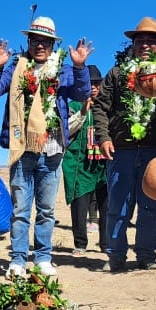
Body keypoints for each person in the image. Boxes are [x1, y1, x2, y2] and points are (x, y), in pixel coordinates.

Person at [0, 16, 91, 278]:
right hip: (22, 148)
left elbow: (81, 93)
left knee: (46, 209)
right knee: (20, 208)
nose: (39, 46)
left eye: (45, 42)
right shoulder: (16, 67)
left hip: (52, 148)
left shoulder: (64, 70)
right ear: (28, 42)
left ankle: (43, 257)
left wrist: (80, 67)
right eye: (35, 40)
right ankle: (18, 260)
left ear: (53, 45)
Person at [93, 18, 156, 271]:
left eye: (152, 40)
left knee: (151, 206)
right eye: (141, 40)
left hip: (155, 151)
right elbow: (100, 107)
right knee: (118, 206)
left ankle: (146, 256)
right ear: (133, 43)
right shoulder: (117, 73)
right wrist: (103, 137)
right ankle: (116, 256)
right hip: (122, 149)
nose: (146, 45)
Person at [62, 64, 107, 254]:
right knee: (80, 207)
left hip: (104, 166)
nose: (94, 88)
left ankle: (106, 243)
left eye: (97, 83)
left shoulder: (107, 108)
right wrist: (82, 110)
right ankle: (80, 244)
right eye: (90, 84)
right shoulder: (71, 106)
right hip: (80, 167)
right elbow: (65, 131)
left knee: (107, 206)